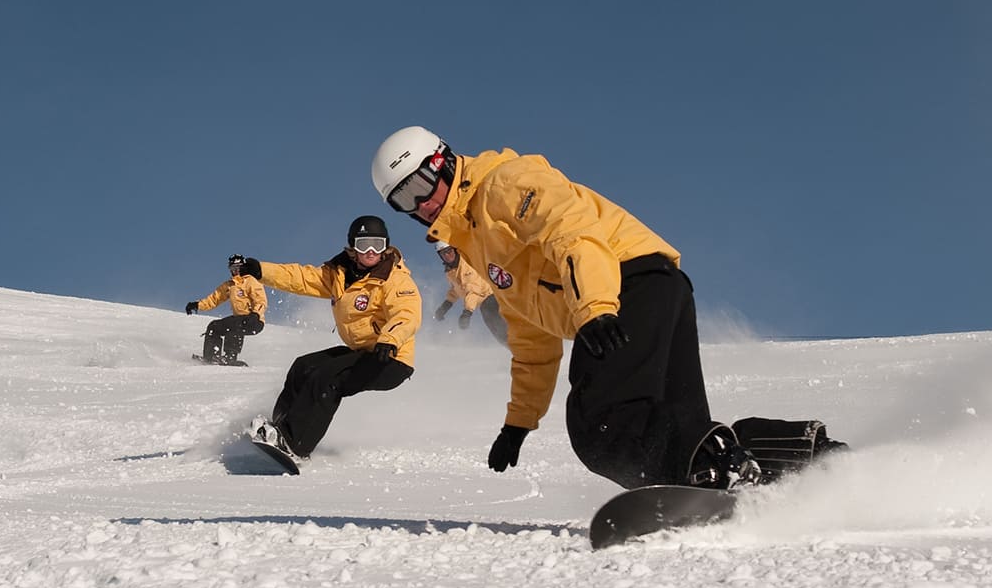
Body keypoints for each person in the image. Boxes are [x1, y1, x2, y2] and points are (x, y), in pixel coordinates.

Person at [370, 126, 842, 491]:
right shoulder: (477, 246)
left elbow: (573, 232)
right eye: (404, 201)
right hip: (649, 290)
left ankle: (723, 472)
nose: (421, 205)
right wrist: (519, 423)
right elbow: (533, 343)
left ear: (444, 161)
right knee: (676, 430)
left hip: (625, 284)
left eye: (421, 185)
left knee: (603, 424)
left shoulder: (503, 184)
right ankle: (797, 454)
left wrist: (595, 308)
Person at [236, 215, 421, 461]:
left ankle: (296, 445)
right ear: (352, 246)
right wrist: (262, 271)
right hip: (364, 352)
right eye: (364, 244)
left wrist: (390, 339)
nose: (371, 251)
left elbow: (407, 312)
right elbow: (301, 278)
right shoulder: (339, 274)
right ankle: (278, 429)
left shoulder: (393, 278)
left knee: (327, 379)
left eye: (378, 244)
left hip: (391, 357)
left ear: (386, 245)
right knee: (303, 367)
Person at [185, 254, 267, 365]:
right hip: (239, 319)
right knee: (214, 326)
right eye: (233, 268)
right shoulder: (230, 285)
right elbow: (214, 299)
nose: (236, 271)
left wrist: (256, 314)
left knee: (234, 325)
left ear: (244, 268)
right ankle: (211, 355)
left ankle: (230, 356)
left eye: (238, 268)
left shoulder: (251, 281)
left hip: (254, 320)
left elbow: (261, 301)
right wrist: (197, 305)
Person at [433, 242, 507, 342]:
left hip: (492, 300)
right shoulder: (451, 271)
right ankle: (519, 354)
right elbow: (456, 289)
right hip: (485, 305)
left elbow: (472, 289)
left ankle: (527, 351)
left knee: (504, 331)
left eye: (449, 251)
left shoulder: (465, 264)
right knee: (500, 335)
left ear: (455, 250)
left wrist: (467, 313)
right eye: (443, 254)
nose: (447, 255)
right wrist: (445, 306)